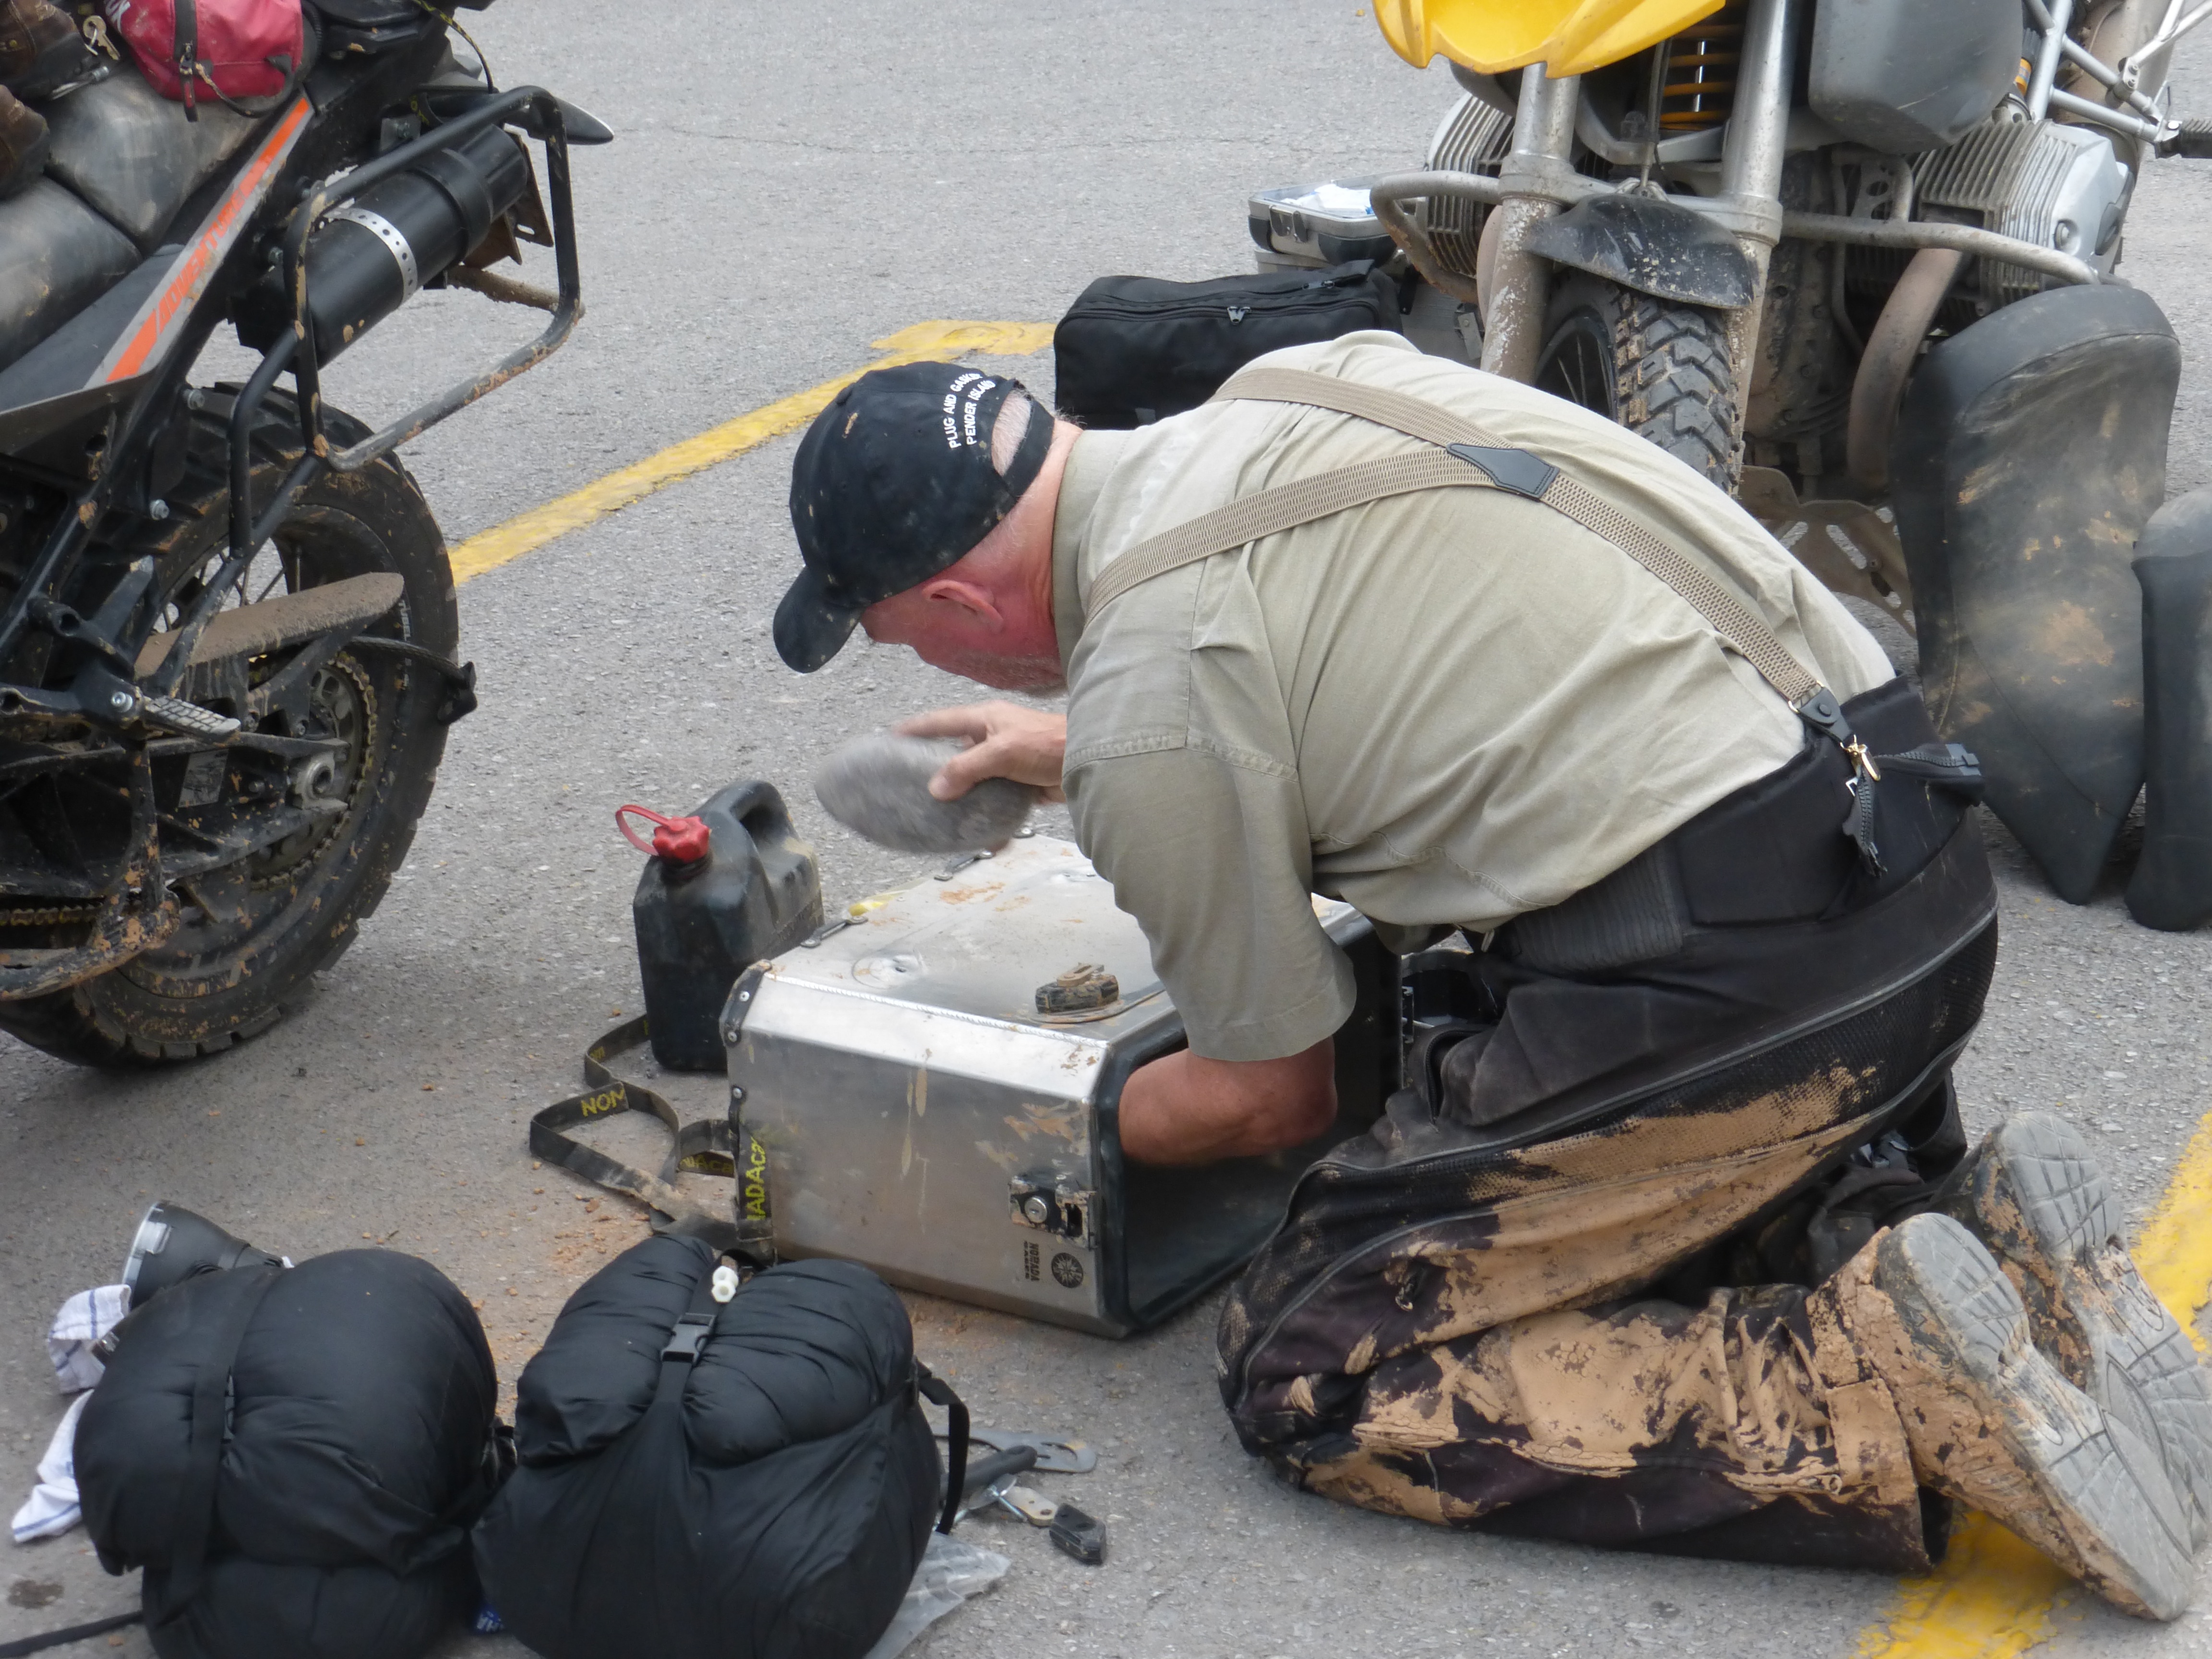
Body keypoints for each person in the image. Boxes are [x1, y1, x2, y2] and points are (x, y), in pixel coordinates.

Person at [772, 337, 2212, 1617]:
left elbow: (1268, 1099)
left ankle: (1881, 1387)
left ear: (959, 600)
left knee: (1310, 1368)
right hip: (1912, 874)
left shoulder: (1155, 694)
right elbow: (1381, 657)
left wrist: (1007, 1137)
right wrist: (1079, 748)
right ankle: (1941, 1229)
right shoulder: (1294, 386)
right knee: (1577, 1162)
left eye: (902, 638)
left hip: (1755, 992)